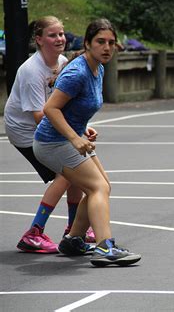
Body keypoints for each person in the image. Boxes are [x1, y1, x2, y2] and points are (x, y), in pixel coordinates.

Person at [32, 18, 141, 267]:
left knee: (103, 186)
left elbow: (73, 108)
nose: (107, 47)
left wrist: (83, 129)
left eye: (111, 43)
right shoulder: (77, 72)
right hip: (52, 143)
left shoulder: (98, 67)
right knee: (97, 188)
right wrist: (74, 137)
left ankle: (74, 240)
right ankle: (105, 247)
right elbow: (50, 109)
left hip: (71, 139)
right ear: (87, 43)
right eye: (100, 42)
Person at [3, 16, 95, 254]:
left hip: (48, 125)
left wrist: (81, 128)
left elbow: (63, 105)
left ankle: (75, 230)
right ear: (39, 40)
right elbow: (39, 116)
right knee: (66, 174)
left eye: (61, 34)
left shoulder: (63, 61)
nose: (60, 39)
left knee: (73, 168)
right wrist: (73, 132)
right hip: (25, 131)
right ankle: (33, 233)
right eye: (53, 35)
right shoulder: (31, 71)